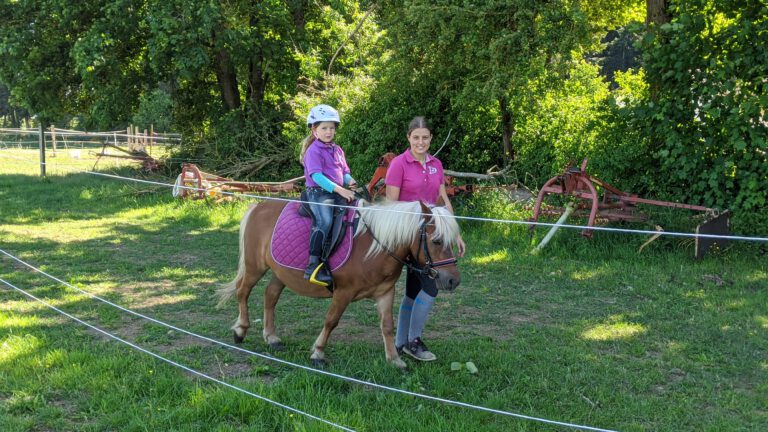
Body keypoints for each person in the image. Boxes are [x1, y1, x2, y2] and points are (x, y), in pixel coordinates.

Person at [385, 116, 466, 361]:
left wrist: (456, 232)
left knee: (414, 290)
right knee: (430, 288)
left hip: (434, 236)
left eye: (425, 137)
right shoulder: (399, 164)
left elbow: (443, 200)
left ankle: (401, 342)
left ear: (431, 139)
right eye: (416, 137)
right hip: (410, 235)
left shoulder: (436, 164)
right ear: (409, 137)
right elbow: (392, 203)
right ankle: (413, 341)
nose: (421, 142)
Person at [300, 104, 358, 288]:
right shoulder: (313, 151)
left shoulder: (337, 149)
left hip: (337, 190)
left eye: (332, 128)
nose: (329, 131)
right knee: (324, 222)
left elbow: (344, 172)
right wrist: (341, 190)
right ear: (314, 130)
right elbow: (317, 177)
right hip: (318, 193)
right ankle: (313, 264)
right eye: (324, 128)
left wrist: (350, 181)